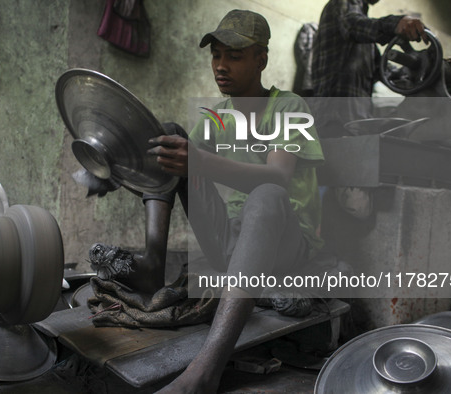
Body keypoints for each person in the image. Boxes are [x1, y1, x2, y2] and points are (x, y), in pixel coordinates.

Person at [86, 10, 324, 393]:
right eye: (216, 55)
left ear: (261, 60)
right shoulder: (219, 116)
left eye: (234, 56)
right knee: (168, 135)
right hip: (231, 244)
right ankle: (151, 264)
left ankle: (205, 372)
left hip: (284, 247)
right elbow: (171, 168)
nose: (220, 66)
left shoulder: (289, 107)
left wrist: (196, 159)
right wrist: (113, 170)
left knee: (267, 194)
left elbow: (278, 176)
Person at [311, 0, 428, 136]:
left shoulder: (368, 44)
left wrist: (420, 74)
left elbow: (386, 72)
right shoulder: (342, 4)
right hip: (332, 120)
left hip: (355, 124)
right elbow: (352, 24)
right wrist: (395, 24)